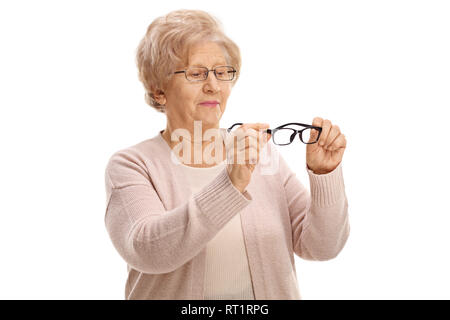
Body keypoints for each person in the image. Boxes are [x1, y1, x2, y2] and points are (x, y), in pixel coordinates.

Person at [104, 9, 349, 300]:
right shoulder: (131, 165)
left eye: (222, 73)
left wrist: (324, 175)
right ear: (159, 91)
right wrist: (230, 184)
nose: (214, 85)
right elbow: (149, 250)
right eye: (196, 73)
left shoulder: (261, 154)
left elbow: (322, 246)